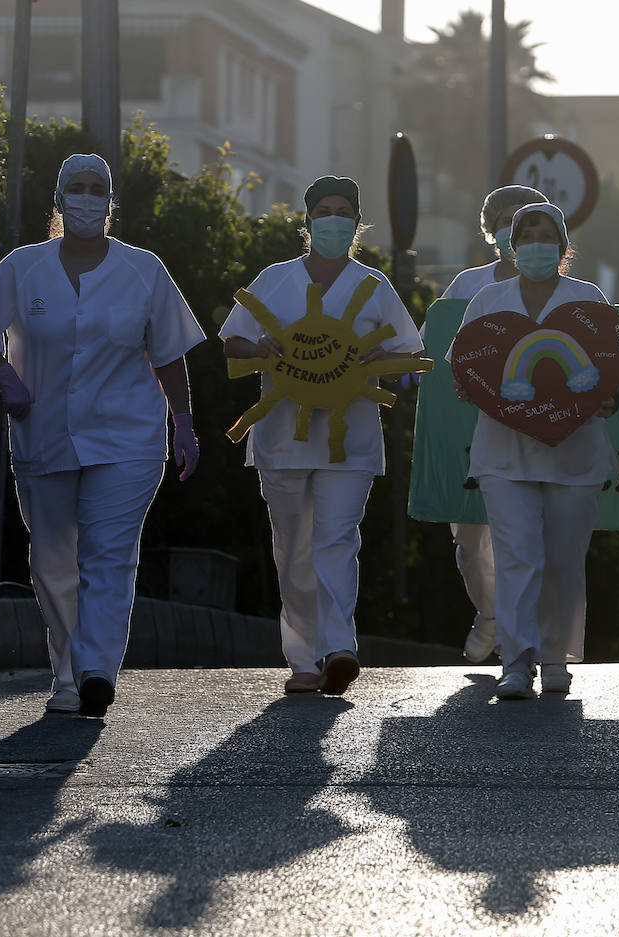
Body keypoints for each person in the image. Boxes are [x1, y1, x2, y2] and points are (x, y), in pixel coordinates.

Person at [0, 153, 205, 718]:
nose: (87, 198)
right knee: (50, 560)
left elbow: (169, 353)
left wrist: (183, 422)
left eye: (98, 189)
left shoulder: (144, 270)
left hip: (128, 440)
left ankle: (96, 672)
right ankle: (66, 673)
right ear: (60, 199)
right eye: (77, 188)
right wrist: (4, 376)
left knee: (108, 555)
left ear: (111, 203)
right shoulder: (23, 266)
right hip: (42, 434)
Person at [220, 175, 424, 697]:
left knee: (336, 540)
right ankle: (303, 660)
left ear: (357, 223)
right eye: (324, 211)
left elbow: (411, 356)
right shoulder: (274, 279)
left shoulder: (374, 286)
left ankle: (340, 649)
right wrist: (261, 346)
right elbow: (234, 341)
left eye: (344, 211)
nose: (334, 220)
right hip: (282, 436)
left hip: (350, 438)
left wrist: (387, 360)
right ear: (307, 221)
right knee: (293, 549)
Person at [447, 203, 615, 700]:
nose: (538, 243)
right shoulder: (487, 300)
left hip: (574, 448)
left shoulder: (587, 298)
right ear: (511, 245)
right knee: (517, 554)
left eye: (548, 235)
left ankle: (555, 657)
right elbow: (466, 362)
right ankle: (517, 660)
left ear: (565, 248)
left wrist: (606, 396)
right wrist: (468, 384)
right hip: (503, 450)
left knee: (563, 558)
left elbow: (609, 364)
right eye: (528, 234)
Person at [437, 184, 548, 664]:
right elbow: (437, 345)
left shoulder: (558, 289)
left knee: (520, 539)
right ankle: (490, 615)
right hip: (469, 428)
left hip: (537, 433)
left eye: (521, 219)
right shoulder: (466, 286)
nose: (512, 228)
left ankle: (516, 641)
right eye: (504, 220)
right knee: (469, 544)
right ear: (490, 231)